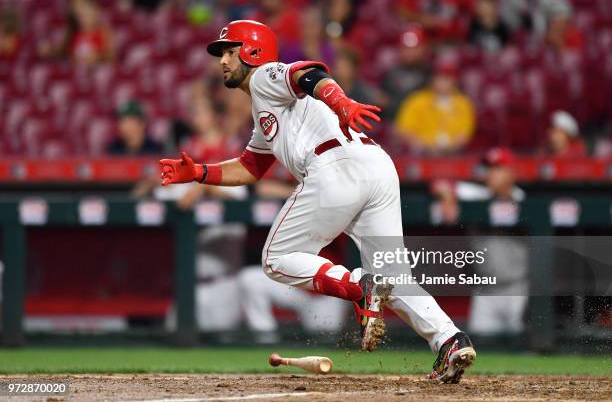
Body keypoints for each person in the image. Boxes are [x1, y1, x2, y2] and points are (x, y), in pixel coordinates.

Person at [159, 20, 476, 383]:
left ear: (253, 51)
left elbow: (308, 73)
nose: (222, 61)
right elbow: (251, 167)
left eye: (230, 51)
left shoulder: (264, 77)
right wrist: (200, 171)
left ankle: (359, 286)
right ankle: (449, 339)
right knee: (394, 275)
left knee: (275, 258)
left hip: (336, 167)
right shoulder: (265, 108)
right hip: (376, 167)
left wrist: (341, 101)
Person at [431, 147, 528, 335]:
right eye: (489, 169)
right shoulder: (478, 195)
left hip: (516, 288)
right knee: (481, 348)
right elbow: (441, 183)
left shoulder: (521, 199)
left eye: (498, 169)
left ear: (511, 173)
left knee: (523, 347)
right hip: (485, 291)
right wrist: (447, 198)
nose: (491, 174)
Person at [394, 59, 476, 154]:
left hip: (453, 154)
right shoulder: (417, 100)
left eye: (447, 78)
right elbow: (403, 130)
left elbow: (465, 133)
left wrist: (449, 148)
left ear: (454, 80)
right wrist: (425, 146)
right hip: (421, 153)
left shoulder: (463, 103)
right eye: (439, 78)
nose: (443, 82)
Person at [382, 25, 432, 120]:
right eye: (405, 48)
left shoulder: (430, 73)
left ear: (423, 48)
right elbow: (384, 102)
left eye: (414, 48)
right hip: (393, 122)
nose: (409, 52)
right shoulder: (391, 73)